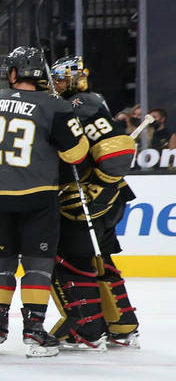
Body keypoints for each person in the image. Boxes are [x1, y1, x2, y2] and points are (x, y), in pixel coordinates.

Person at [0, 47, 88, 357]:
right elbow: (76, 154)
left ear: (14, 73)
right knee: (37, 265)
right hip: (38, 197)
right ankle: (34, 331)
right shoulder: (54, 105)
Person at [49, 56, 140, 349]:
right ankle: (122, 324)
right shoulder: (87, 102)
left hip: (90, 198)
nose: (56, 85)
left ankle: (87, 329)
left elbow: (117, 151)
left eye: (61, 78)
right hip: (106, 198)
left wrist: (99, 191)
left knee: (71, 263)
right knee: (101, 259)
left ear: (75, 78)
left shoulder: (80, 104)